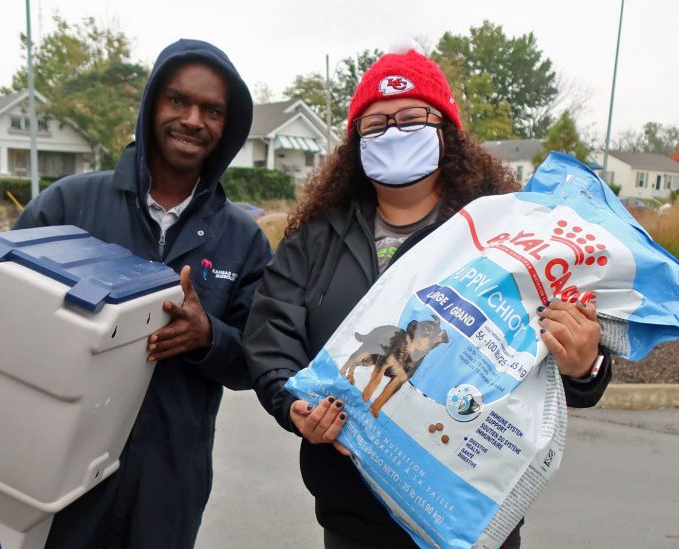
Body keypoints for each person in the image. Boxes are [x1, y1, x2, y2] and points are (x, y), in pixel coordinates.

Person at [243, 47, 611, 549]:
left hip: (468, 513)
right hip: (352, 515)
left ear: (447, 132)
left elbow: (547, 361)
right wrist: (294, 404)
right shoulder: (315, 239)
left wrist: (584, 366)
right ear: (356, 143)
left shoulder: (506, 237)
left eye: (412, 118)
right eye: (376, 124)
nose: (393, 132)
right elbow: (271, 332)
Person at [0, 38, 272, 549]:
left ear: (229, 125)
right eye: (178, 100)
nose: (193, 119)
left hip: (169, 483)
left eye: (212, 110)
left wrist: (208, 337)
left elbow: (257, 359)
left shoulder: (241, 239)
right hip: (52, 472)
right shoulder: (68, 204)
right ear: (153, 104)